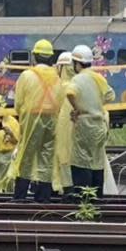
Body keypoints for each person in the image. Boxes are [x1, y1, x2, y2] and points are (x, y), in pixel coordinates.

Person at [10, 39, 63, 203]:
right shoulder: (57, 76)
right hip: (53, 118)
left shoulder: (27, 75)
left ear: (34, 57)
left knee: (26, 155)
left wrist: (23, 117)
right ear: (50, 58)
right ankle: (43, 196)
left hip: (32, 118)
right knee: (47, 156)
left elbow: (18, 103)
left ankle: (20, 195)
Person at [66, 45, 116, 197]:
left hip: (84, 124)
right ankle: (97, 197)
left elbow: (69, 93)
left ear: (77, 63)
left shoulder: (78, 78)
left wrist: (77, 109)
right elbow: (110, 96)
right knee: (97, 161)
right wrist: (96, 103)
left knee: (81, 161)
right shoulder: (98, 77)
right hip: (99, 125)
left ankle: (84, 198)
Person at [52, 52, 75, 198]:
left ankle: (60, 186)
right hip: (77, 131)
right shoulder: (79, 85)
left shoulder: (59, 87)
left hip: (60, 130)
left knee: (60, 157)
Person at [0, 94, 20, 194]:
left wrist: (10, 134)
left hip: (8, 156)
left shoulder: (12, 121)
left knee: (7, 182)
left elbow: (17, 142)